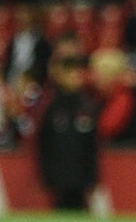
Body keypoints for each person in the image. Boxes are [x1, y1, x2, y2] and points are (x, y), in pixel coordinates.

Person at [36, 43, 102, 211]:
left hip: (81, 177)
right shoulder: (51, 106)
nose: (76, 77)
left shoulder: (87, 106)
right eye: (71, 73)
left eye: (77, 73)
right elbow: (43, 143)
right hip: (58, 177)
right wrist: (45, 174)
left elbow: (92, 145)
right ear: (61, 75)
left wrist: (93, 177)